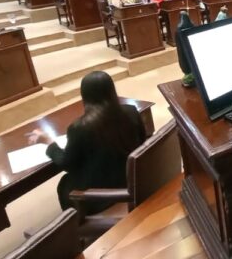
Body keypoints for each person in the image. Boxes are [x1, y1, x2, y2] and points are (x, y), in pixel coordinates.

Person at [28, 71, 147, 214]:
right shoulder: (131, 111)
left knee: (65, 183)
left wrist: (49, 142)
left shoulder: (80, 127)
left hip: (103, 196)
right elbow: (142, 140)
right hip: (132, 179)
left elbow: (66, 163)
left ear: (85, 96)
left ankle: (78, 228)